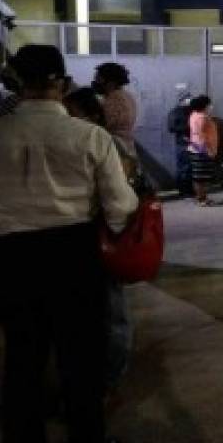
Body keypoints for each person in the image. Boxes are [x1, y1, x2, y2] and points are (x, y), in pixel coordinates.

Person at [0, 45, 137, 443]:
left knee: (23, 362)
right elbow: (120, 206)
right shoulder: (90, 137)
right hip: (75, 255)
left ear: (12, 81)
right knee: (81, 361)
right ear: (63, 84)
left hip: (13, 259)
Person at [63, 86, 138, 396]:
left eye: (72, 113)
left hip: (96, 237)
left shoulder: (106, 143)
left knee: (109, 315)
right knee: (100, 315)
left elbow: (121, 199)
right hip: (89, 237)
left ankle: (105, 380)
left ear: (93, 115)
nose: (67, 119)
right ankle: (95, 381)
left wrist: (114, 234)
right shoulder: (79, 140)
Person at [93, 62, 138, 159]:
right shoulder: (127, 96)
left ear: (111, 82)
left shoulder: (114, 99)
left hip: (116, 150)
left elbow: (104, 124)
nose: (94, 82)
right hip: (126, 148)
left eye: (98, 79)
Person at [188, 96, 219, 206]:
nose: (211, 106)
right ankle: (200, 199)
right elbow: (202, 136)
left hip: (196, 148)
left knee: (199, 176)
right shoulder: (202, 117)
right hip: (202, 150)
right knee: (200, 177)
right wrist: (209, 150)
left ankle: (202, 198)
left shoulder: (194, 115)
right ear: (204, 105)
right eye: (209, 104)